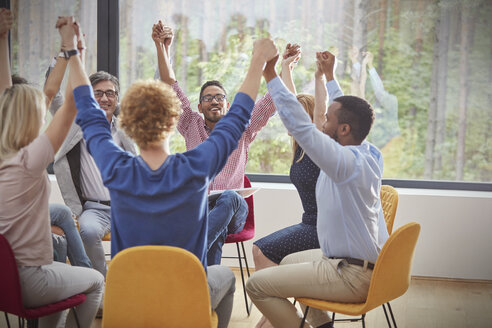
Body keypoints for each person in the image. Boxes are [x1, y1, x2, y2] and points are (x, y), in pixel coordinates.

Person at [73, 31, 278, 328]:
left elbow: (89, 112)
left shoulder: (116, 167)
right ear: (174, 121)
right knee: (224, 279)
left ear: (127, 123)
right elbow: (237, 118)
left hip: (128, 304)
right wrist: (258, 59)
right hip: (184, 301)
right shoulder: (196, 166)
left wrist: (73, 53)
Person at [246, 49, 385, 328]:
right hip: (357, 264)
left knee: (256, 285)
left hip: (350, 274)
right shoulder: (368, 153)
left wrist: (270, 73)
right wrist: (329, 76)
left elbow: (300, 124)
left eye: (327, 121)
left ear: (343, 130)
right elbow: (341, 110)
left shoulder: (342, 164)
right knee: (286, 261)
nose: (321, 122)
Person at [153, 22, 289, 265]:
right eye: (208, 98)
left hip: (235, 208)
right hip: (200, 208)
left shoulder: (243, 127)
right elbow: (169, 86)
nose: (214, 101)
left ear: (227, 104)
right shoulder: (189, 124)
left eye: (219, 97)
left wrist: (281, 65)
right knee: (212, 222)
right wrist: (162, 47)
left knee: (228, 199)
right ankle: (207, 291)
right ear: (199, 106)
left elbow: (272, 100)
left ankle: (187, 255)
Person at [0, 14, 104, 328]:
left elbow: (15, 92)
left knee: (62, 281)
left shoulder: (6, 154)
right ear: (29, 118)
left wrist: (1, 38)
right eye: (39, 110)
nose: (44, 111)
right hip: (29, 279)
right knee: (96, 281)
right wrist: (74, 50)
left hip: (5, 278)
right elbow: (72, 103)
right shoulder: (30, 160)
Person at [46, 45, 136, 276]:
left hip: (126, 205)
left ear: (117, 98)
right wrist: (62, 57)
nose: (105, 98)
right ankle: (102, 282)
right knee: (87, 231)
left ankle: (123, 280)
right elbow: (53, 96)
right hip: (93, 209)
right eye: (98, 93)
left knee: (138, 235)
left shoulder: (125, 128)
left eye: (111, 93)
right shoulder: (75, 125)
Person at [11, 73, 92, 268]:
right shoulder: (20, 148)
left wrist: (67, 53)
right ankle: (83, 272)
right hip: (16, 216)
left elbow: (50, 96)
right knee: (95, 282)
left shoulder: (23, 140)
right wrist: (72, 52)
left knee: (62, 212)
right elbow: (56, 100)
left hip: (24, 210)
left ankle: (83, 268)